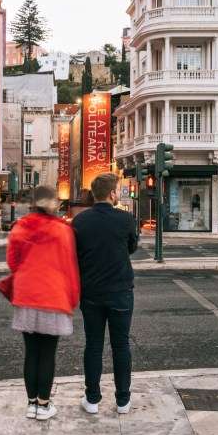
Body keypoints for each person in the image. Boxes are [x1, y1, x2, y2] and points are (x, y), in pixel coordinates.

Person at [0, 186, 80, 421]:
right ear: (54, 204)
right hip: (53, 294)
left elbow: (13, 262)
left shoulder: (20, 227)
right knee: (47, 353)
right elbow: (69, 266)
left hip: (27, 294)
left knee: (31, 352)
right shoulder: (63, 230)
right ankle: (44, 405)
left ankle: (31, 403)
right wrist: (73, 297)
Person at [72, 172, 138, 415]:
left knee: (93, 345)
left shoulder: (80, 221)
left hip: (91, 292)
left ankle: (92, 399)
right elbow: (131, 247)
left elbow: (75, 254)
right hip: (120, 291)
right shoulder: (125, 219)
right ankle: (123, 401)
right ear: (112, 193)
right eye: (117, 190)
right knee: (121, 345)